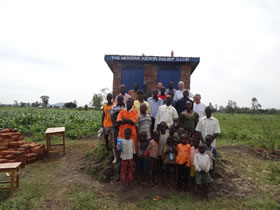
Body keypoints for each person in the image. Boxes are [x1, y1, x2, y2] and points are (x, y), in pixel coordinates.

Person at [110, 95, 126, 163]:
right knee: (115, 141)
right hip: (115, 127)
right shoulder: (114, 107)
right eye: (118, 99)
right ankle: (115, 158)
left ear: (123, 100)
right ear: (117, 100)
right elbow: (112, 117)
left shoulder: (125, 107)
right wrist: (115, 123)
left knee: (122, 142)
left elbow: (125, 116)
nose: (120, 101)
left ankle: (122, 157)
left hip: (123, 127)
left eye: (121, 99)